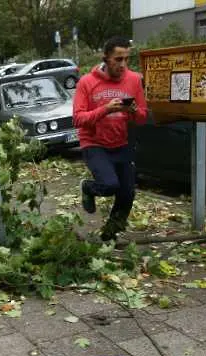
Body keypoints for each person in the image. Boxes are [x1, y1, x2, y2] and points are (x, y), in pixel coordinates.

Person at [73, 36, 147, 241]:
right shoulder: (87, 83)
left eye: (126, 59)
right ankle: (88, 187)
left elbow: (142, 117)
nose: (123, 65)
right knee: (109, 185)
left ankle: (109, 235)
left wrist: (132, 110)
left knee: (127, 194)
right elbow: (78, 119)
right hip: (94, 143)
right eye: (118, 59)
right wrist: (105, 109)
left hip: (121, 143)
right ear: (106, 58)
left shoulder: (133, 80)